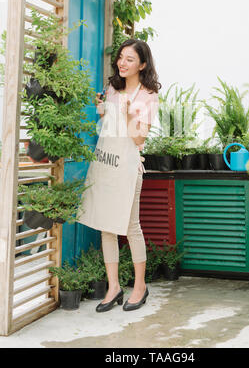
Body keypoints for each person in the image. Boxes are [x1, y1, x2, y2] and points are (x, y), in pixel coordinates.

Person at [93, 39, 161, 312]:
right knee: (106, 226)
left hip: (130, 166)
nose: (122, 62)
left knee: (131, 227)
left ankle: (140, 287)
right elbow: (105, 127)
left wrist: (127, 113)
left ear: (142, 64)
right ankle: (113, 287)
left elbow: (138, 137)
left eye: (130, 59)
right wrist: (102, 109)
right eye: (121, 57)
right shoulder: (112, 87)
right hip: (107, 163)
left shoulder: (147, 95)